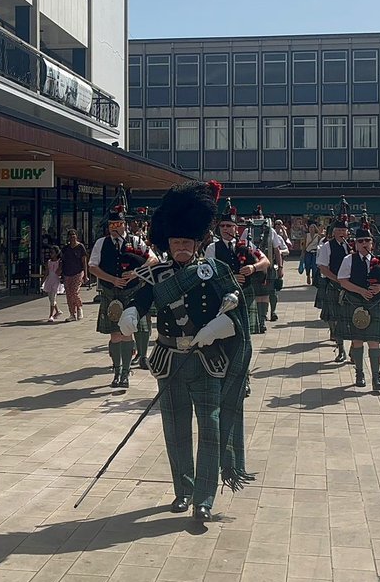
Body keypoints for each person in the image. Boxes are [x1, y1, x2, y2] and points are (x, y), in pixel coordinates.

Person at [117, 180, 251, 523]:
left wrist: (221, 326)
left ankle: (204, 498)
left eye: (186, 242)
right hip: (168, 360)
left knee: (211, 427)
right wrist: (131, 312)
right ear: (168, 242)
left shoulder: (216, 271)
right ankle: (183, 490)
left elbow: (236, 309)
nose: (180, 247)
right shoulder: (155, 274)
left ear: (197, 242)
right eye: (175, 242)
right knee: (176, 430)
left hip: (207, 362)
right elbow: (140, 300)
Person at [89, 207, 157, 388]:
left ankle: (126, 374)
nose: (114, 227)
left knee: (127, 332)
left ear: (125, 225)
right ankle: (116, 371)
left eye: (118, 224)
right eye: (111, 224)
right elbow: (92, 267)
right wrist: (112, 279)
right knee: (114, 335)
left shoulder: (135, 242)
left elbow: (153, 260)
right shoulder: (101, 243)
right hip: (110, 293)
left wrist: (136, 273)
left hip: (131, 293)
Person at [337, 226, 380, 393]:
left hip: (374, 304)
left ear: (372, 243)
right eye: (360, 241)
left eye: (367, 241)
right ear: (355, 244)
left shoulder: (379, 260)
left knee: (374, 341)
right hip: (355, 302)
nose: (364, 243)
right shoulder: (349, 260)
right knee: (357, 341)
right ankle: (359, 374)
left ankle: (376, 377)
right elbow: (342, 281)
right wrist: (361, 291)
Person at [205, 201, 269, 336]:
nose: (225, 228)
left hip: (245, 292)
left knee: (245, 334)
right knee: (226, 334)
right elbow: (208, 272)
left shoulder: (247, 244)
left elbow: (266, 261)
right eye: (222, 226)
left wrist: (253, 267)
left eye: (229, 226)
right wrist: (231, 278)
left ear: (235, 228)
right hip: (222, 295)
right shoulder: (212, 248)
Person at [316, 219, 350, 361]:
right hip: (334, 285)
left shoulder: (351, 246)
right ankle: (341, 349)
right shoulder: (327, 247)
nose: (342, 233)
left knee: (351, 319)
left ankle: (354, 350)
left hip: (352, 287)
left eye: (344, 230)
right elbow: (323, 267)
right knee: (336, 318)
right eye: (339, 230)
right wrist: (338, 279)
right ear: (334, 232)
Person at [61, 229, 89, 321]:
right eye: (70, 235)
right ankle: (72, 313)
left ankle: (79, 307)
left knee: (74, 291)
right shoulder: (65, 248)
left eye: (74, 235)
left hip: (78, 272)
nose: (72, 237)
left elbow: (84, 261)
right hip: (67, 273)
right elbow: (62, 261)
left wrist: (85, 274)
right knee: (69, 294)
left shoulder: (80, 247)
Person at [42, 246, 64, 322]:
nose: (51, 254)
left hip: (55, 280)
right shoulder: (48, 262)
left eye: (53, 252)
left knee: (53, 298)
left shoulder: (59, 262)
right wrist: (43, 281)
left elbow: (59, 271)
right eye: (50, 252)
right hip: (49, 280)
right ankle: (58, 311)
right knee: (50, 298)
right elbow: (46, 272)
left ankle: (51, 315)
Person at [302, 220, 321, 286]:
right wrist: (303, 253)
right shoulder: (307, 235)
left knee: (314, 266)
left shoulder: (318, 236)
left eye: (312, 228)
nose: (311, 229)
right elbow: (304, 244)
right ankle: (308, 275)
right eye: (310, 228)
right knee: (307, 265)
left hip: (315, 253)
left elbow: (319, 245)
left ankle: (313, 279)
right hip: (308, 252)